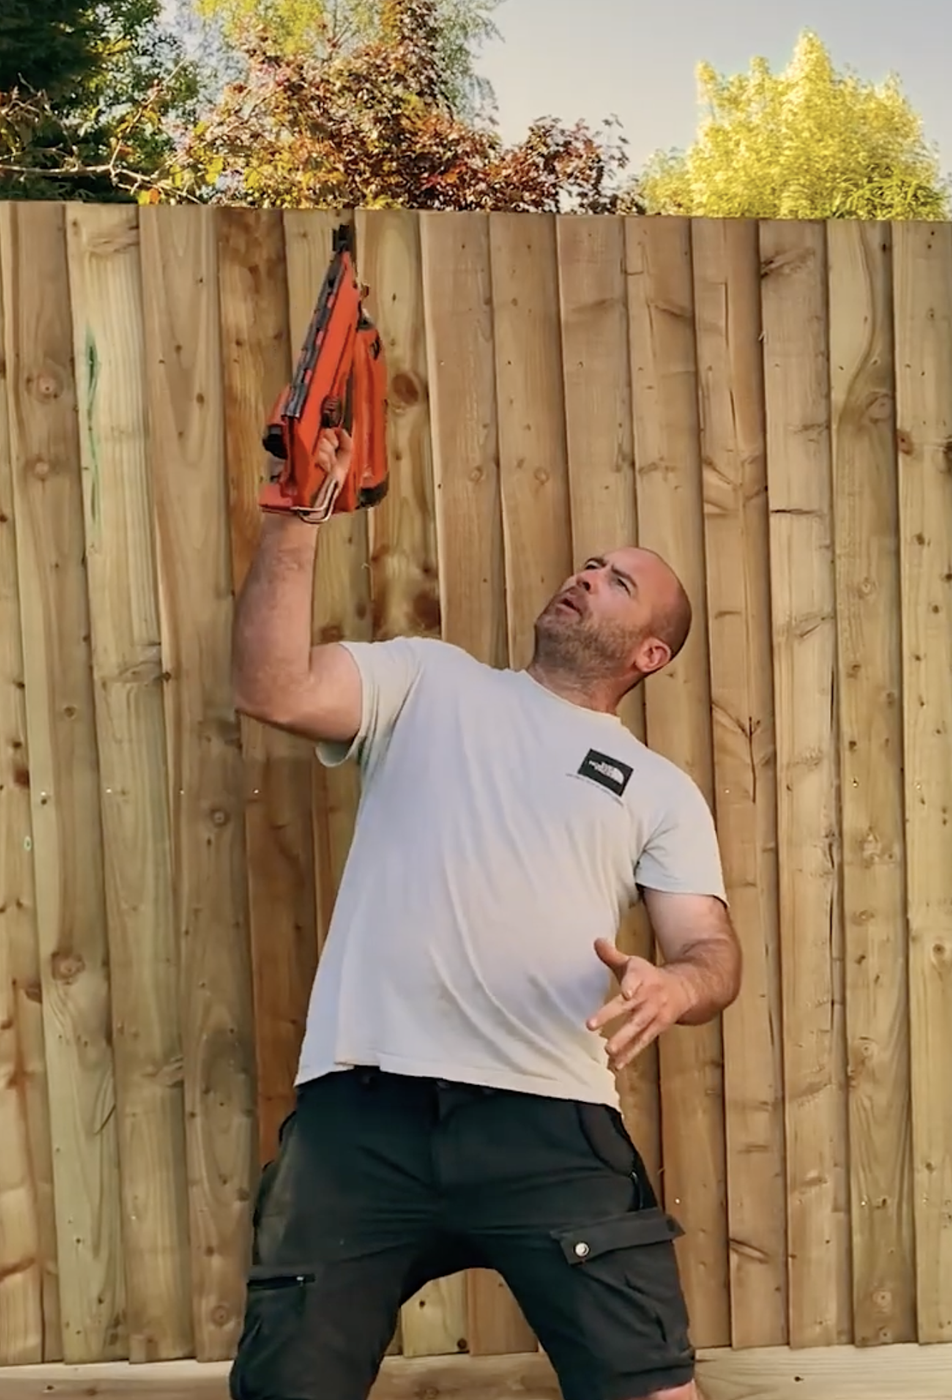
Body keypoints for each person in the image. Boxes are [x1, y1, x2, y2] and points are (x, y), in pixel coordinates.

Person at [225, 427, 741, 1400]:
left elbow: (709, 947)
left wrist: (676, 981)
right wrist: (298, 519)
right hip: (359, 1117)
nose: (588, 576)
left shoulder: (655, 786)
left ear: (650, 650)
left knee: (652, 1389)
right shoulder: (427, 679)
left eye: (619, 581)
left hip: (549, 1115)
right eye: (590, 563)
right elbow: (271, 685)